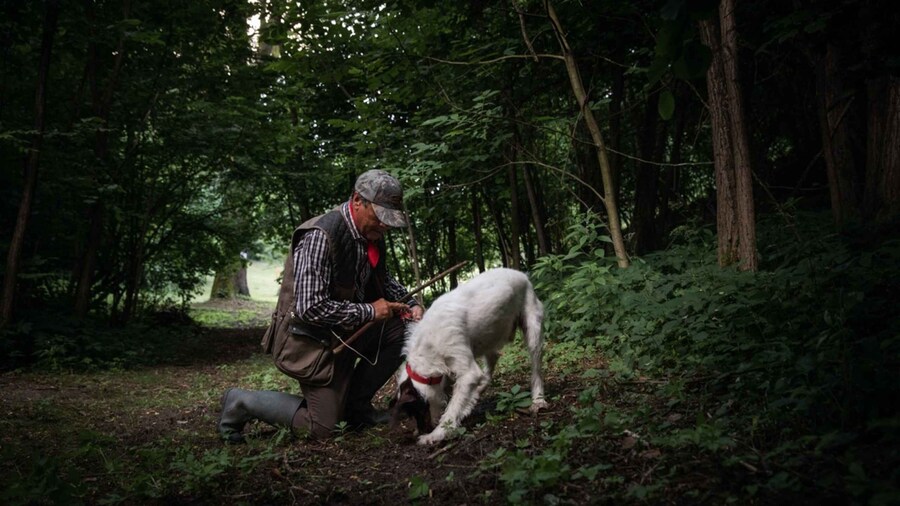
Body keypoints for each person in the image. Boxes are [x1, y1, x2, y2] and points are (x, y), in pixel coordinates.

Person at [218, 169, 424, 442]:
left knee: (409, 330)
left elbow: (382, 279)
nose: (384, 225)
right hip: (314, 343)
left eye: (389, 219)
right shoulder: (321, 235)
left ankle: (356, 409)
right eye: (380, 217)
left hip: (347, 333)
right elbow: (308, 308)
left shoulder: (370, 234)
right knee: (323, 428)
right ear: (357, 200)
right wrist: (370, 311)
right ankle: (241, 401)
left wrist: (411, 303)